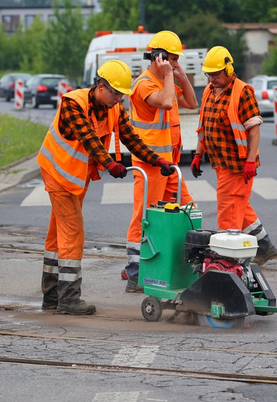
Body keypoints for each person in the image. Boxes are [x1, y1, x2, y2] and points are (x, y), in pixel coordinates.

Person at [37, 60, 174, 315]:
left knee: (58, 233)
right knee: (72, 233)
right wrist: (110, 164)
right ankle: (68, 298)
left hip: (75, 177)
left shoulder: (115, 109)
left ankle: (51, 295)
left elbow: (132, 138)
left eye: (122, 94)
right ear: (100, 86)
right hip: (58, 172)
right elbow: (88, 138)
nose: (118, 98)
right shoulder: (73, 103)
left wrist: (156, 159)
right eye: (115, 92)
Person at [123, 30, 198, 292]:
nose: (176, 63)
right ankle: (134, 272)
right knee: (143, 218)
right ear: (159, 57)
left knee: (189, 210)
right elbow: (166, 103)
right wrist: (168, 75)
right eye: (173, 59)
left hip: (167, 165)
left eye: (177, 59)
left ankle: (185, 266)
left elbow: (191, 101)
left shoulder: (166, 80)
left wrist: (180, 76)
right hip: (148, 164)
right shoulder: (145, 84)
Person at [191, 46, 277, 266]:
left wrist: (250, 161)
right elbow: (203, 126)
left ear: (229, 69)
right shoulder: (209, 92)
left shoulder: (243, 92)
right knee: (240, 206)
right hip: (221, 164)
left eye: (216, 74)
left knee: (229, 213)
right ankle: (265, 246)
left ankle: (229, 261)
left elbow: (254, 130)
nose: (212, 78)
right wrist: (197, 154)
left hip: (238, 166)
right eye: (209, 74)